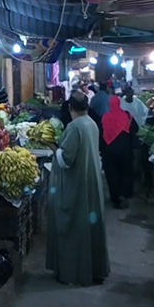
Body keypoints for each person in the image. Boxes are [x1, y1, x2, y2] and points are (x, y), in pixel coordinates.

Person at [46, 91, 110, 286]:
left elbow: (65, 160)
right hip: (91, 181)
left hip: (77, 185)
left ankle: (72, 273)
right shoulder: (91, 123)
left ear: (70, 108)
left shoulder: (74, 127)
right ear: (87, 107)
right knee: (91, 227)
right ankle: (94, 270)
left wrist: (51, 146)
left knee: (72, 226)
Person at [100, 95, 139, 209]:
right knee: (126, 172)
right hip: (126, 150)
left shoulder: (104, 117)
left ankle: (116, 199)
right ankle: (125, 195)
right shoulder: (127, 115)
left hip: (109, 151)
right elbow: (135, 129)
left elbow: (100, 134)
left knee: (112, 174)